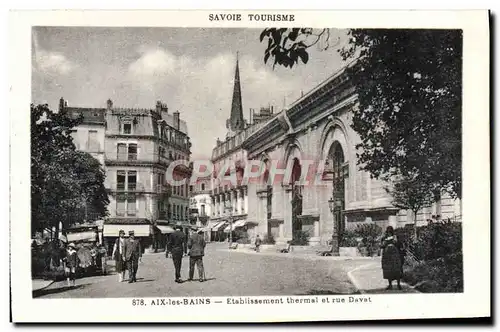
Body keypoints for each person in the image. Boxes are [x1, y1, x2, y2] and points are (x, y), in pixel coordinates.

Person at [380, 226, 403, 290]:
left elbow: (398, 244)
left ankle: (398, 284)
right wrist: (385, 242)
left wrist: (394, 241)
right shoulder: (384, 237)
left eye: (390, 232)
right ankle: (390, 285)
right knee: (388, 270)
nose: (389, 233)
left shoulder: (395, 237)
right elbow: (381, 246)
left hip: (394, 255)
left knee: (396, 269)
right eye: (388, 232)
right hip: (387, 255)